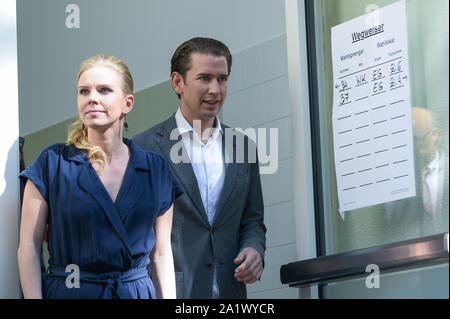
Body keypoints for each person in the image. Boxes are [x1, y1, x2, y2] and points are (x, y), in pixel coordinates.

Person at [18, 54, 183, 299]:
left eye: (104, 90)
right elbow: (29, 247)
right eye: (84, 91)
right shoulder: (52, 163)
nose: (92, 98)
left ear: (128, 103)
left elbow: (160, 253)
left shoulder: (154, 168)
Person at [133, 37, 266, 299]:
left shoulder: (244, 147)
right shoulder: (143, 148)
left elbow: (252, 219)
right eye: (204, 78)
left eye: (222, 79)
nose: (215, 89)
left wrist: (254, 249)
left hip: (230, 291)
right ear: (177, 82)